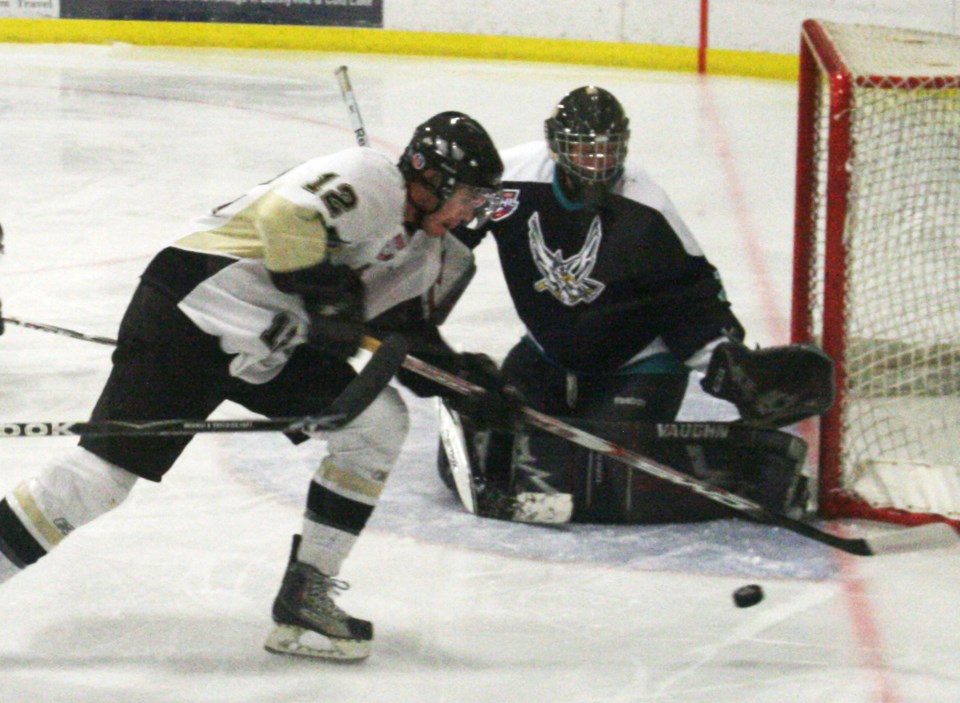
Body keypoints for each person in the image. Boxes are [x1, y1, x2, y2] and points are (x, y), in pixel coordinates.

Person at [0, 111, 516, 661]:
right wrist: (328, 295)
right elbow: (285, 217)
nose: (470, 211)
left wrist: (464, 384)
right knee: (98, 481)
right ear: (426, 177)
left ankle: (305, 597)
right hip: (193, 309)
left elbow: (396, 331)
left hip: (269, 344)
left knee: (377, 424)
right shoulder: (371, 178)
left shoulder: (427, 254)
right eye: (466, 195)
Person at [438, 86, 833, 525]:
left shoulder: (647, 210)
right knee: (486, 436)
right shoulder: (510, 179)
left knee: (608, 473)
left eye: (607, 151)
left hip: (640, 366)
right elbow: (449, 226)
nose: (596, 164)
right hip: (546, 355)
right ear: (556, 146)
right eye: (584, 151)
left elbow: (693, 301)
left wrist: (725, 360)